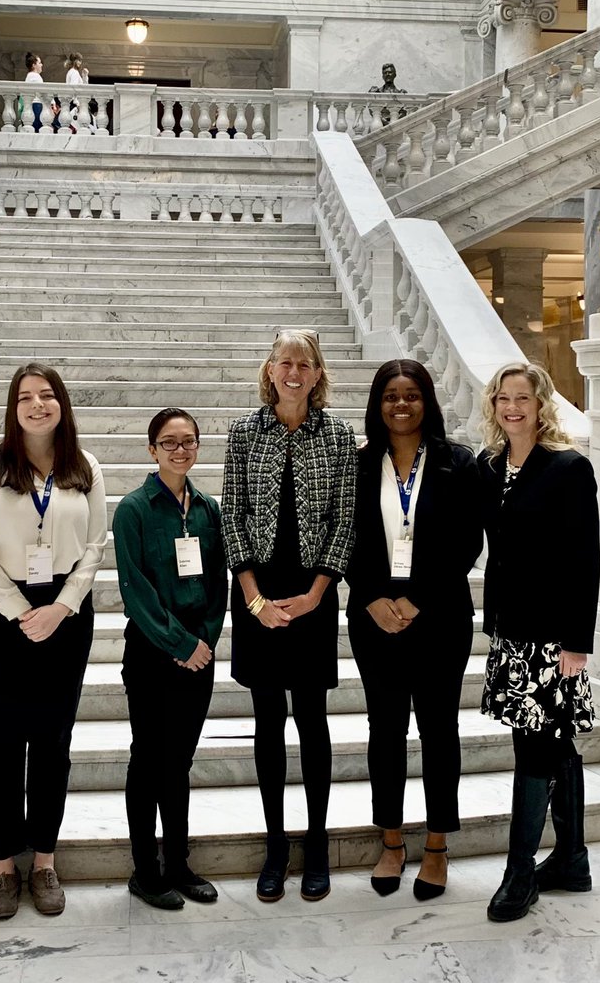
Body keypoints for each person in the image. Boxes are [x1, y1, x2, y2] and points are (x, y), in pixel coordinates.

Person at [0, 363, 107, 920]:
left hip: (66, 614)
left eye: (47, 396)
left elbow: (94, 546)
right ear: (12, 407)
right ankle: (3, 868)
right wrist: (23, 613)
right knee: (0, 744)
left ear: (62, 404)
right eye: (26, 397)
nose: (37, 405)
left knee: (51, 742)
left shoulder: (84, 466)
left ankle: (43, 861)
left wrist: (62, 607)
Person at [221, 328, 357, 904]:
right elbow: (231, 513)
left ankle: (317, 845)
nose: (295, 372)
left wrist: (316, 594)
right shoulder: (244, 433)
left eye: (305, 363)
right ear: (270, 369)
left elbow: (345, 519)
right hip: (258, 593)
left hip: (312, 595)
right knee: (268, 720)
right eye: (285, 362)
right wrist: (253, 598)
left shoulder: (339, 435)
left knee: (312, 721)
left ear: (318, 372)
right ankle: (277, 846)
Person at [346, 360, 482, 901]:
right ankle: (392, 841)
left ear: (427, 400)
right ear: (377, 404)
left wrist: (416, 598)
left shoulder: (458, 463)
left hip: (440, 617)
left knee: (439, 731)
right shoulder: (358, 464)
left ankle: (437, 847)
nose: (400, 405)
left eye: (411, 395)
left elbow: (466, 542)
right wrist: (372, 596)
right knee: (385, 732)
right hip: (374, 618)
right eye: (390, 396)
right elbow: (345, 537)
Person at [478, 361, 600, 923]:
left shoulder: (569, 467)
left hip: (553, 638)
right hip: (511, 631)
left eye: (522, 398)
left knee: (535, 750)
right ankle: (571, 860)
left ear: (541, 403)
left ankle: (519, 872)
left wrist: (577, 643)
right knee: (557, 747)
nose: (512, 407)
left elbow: (584, 561)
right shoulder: (490, 466)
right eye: (503, 398)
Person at [113, 408, 228, 911]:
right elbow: (134, 589)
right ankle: (145, 870)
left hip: (198, 656)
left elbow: (218, 583)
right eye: (169, 442)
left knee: (179, 763)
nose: (179, 450)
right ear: (151, 449)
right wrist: (179, 644)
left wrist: (203, 642)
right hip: (152, 654)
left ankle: (179, 864)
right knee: (148, 761)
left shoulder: (207, 508)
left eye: (188, 442)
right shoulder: (134, 509)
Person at [63, 53, 92, 133]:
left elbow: (83, 88)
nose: (80, 63)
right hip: (74, 104)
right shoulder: (74, 72)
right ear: (75, 61)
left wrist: (84, 76)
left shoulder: (72, 72)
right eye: (79, 60)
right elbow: (74, 89)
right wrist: (77, 103)